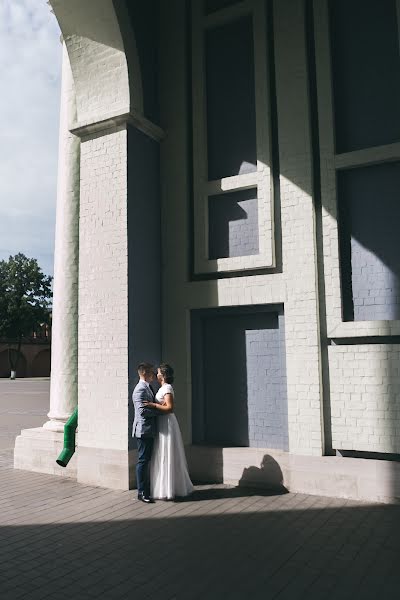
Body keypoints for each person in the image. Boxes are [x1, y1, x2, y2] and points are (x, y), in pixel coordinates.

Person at [145, 363, 194, 500]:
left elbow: (170, 408)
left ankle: (171, 488)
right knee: (162, 453)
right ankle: (163, 488)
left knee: (168, 453)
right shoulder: (162, 388)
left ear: (163, 375)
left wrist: (153, 405)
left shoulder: (167, 388)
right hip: (161, 423)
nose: (156, 373)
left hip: (167, 423)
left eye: (159, 372)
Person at [132, 362, 159, 504]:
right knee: (143, 461)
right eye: (151, 372)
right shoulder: (140, 390)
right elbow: (142, 411)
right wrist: (160, 410)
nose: (154, 375)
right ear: (144, 373)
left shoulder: (147, 387)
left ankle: (146, 489)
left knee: (146, 460)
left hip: (149, 429)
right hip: (143, 430)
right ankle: (142, 492)